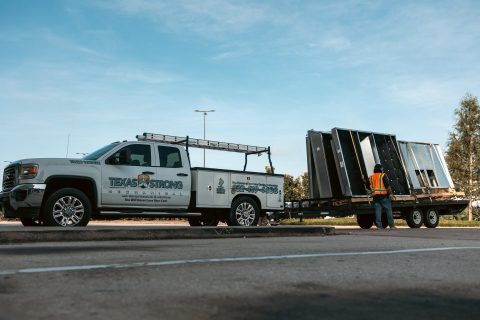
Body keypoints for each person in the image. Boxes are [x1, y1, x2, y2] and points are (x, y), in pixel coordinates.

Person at [367, 163, 396, 229]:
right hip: (384, 197)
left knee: (378, 212)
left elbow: (367, 185)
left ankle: (379, 226)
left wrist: (363, 179)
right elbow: (387, 186)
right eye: (382, 168)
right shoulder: (383, 175)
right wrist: (391, 194)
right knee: (388, 210)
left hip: (375, 197)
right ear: (380, 169)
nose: (382, 169)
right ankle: (391, 226)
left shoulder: (371, 177)